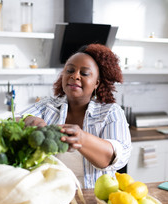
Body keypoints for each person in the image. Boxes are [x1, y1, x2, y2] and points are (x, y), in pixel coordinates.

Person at [18, 43, 132, 188]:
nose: (75, 76)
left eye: (84, 73)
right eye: (70, 70)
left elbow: (114, 157)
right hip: (50, 196)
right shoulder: (48, 106)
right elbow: (12, 121)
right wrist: (29, 119)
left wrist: (81, 138)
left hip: (93, 199)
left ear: (96, 83)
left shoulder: (110, 112)